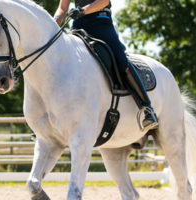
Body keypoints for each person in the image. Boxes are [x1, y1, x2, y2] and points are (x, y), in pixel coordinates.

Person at [54, 0, 159, 130]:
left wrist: (82, 10)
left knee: (121, 60)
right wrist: (52, 25)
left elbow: (104, 1)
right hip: (78, 26)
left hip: (101, 22)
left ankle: (147, 108)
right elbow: (62, 9)